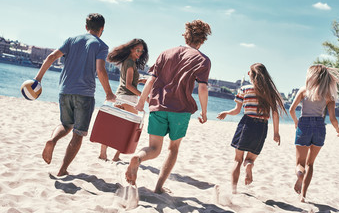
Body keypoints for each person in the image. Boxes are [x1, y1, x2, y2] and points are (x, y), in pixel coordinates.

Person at [125, 19, 212, 193]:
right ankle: (158, 187)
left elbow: (151, 80)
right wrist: (203, 111)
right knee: (173, 148)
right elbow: (202, 87)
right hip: (180, 110)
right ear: (202, 41)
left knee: (154, 148)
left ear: (186, 36)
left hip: (158, 106)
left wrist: (142, 101)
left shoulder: (166, 53)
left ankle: (138, 157)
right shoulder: (203, 60)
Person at [34, 13, 116, 176]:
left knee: (65, 124)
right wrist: (108, 92)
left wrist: (38, 80)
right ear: (102, 29)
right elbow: (100, 69)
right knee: (78, 133)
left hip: (64, 90)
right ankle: (63, 170)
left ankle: (53, 140)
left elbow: (51, 57)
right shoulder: (101, 45)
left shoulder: (71, 40)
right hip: (84, 95)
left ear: (86, 27)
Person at [217, 63, 286, 194]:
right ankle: (249, 165)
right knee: (250, 158)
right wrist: (276, 133)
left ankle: (233, 190)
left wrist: (226, 112)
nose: (248, 74)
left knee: (237, 160)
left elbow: (237, 110)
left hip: (246, 124)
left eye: (249, 72)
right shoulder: (270, 92)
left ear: (252, 75)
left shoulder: (245, 89)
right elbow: (275, 114)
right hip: (262, 127)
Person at [289, 64, 339, 202]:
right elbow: (332, 118)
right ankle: (303, 195)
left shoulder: (304, 90)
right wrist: (338, 130)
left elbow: (291, 110)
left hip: (304, 124)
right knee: (310, 164)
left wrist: (296, 122)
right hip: (320, 127)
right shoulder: (329, 95)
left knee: (300, 163)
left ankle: (300, 175)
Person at [98, 38, 149, 161]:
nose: (139, 53)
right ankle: (116, 156)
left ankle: (103, 153)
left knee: (112, 126)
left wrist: (140, 80)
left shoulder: (127, 61)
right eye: (137, 50)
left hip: (119, 97)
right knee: (127, 130)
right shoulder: (131, 63)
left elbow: (128, 82)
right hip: (129, 99)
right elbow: (129, 86)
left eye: (142, 51)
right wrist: (144, 97)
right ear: (131, 49)